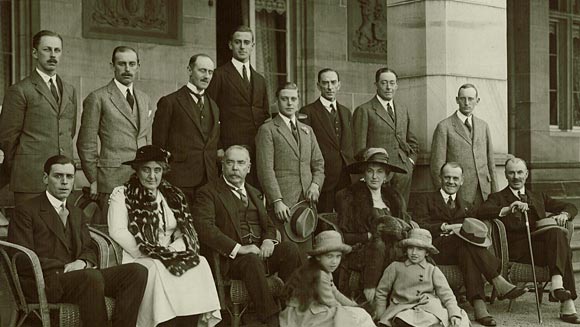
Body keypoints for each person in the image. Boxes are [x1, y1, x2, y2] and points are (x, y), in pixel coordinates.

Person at [8, 155, 148, 327]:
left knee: (136, 272)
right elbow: (21, 257)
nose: (64, 182)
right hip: (46, 281)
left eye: (69, 177)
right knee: (91, 276)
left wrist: (82, 262)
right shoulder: (26, 211)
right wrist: (66, 268)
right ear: (45, 178)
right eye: (58, 176)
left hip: (80, 278)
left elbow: (89, 247)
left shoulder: (76, 213)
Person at [107, 145, 221, 327]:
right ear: (137, 171)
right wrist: (150, 252)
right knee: (157, 268)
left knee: (200, 263)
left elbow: (184, 230)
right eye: (146, 170)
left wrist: (172, 249)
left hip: (169, 253)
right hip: (139, 256)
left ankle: (188, 321)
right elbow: (117, 230)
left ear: (163, 171)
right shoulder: (122, 194)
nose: (152, 176)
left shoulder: (172, 195)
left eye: (157, 170)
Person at [193, 145, 303, 327]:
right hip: (234, 260)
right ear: (222, 166)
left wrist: (269, 240)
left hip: (261, 254)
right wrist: (239, 248)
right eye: (230, 163)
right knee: (251, 259)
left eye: (240, 163)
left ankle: (291, 308)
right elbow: (205, 228)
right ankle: (271, 319)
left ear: (248, 168)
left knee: (291, 249)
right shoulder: (209, 192)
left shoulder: (255, 192)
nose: (235, 168)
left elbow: (268, 224)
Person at [415, 162, 527, 327]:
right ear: (440, 179)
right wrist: (444, 227)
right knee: (467, 241)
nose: (451, 182)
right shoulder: (425, 199)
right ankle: (496, 280)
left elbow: (483, 213)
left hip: (462, 252)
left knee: (467, 247)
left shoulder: (468, 205)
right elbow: (419, 224)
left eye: (455, 178)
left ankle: (479, 304)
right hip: (436, 249)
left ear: (461, 181)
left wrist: (508, 209)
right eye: (447, 177)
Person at [478, 157, 580, 324]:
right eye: (511, 173)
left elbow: (571, 206)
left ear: (526, 174)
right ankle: (566, 302)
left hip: (540, 250)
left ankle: (557, 286)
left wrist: (564, 215)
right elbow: (481, 211)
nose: (516, 177)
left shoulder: (538, 196)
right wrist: (507, 209)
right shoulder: (497, 197)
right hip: (518, 252)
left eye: (519, 172)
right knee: (563, 248)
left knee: (558, 234)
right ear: (505, 175)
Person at [77, 46, 155, 224]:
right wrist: (93, 179)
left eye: (132, 64)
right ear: (112, 66)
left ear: (138, 66)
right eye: (122, 64)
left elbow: (147, 139)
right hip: (111, 179)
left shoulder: (144, 99)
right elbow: (86, 143)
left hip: (142, 179)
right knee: (112, 231)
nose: (127, 69)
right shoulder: (98, 97)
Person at [0, 30, 77, 206]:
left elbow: (68, 131)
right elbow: (7, 138)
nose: (52, 55)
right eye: (47, 49)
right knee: (30, 232)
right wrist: (23, 168)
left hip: (62, 180)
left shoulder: (70, 90)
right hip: (30, 180)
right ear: (35, 53)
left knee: (60, 230)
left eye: (57, 50)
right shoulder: (20, 90)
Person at [335, 147, 415, 303]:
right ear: (363, 173)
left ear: (386, 176)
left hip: (394, 249)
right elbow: (344, 236)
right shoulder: (349, 197)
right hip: (362, 250)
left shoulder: (394, 199)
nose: (374, 176)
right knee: (378, 245)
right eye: (370, 171)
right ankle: (371, 293)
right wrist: (370, 236)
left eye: (379, 172)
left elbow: (405, 225)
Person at [256, 82, 325, 252]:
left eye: (293, 99)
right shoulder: (268, 129)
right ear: (277, 101)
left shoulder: (307, 130)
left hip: (307, 204)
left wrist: (316, 185)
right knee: (288, 253)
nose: (289, 103)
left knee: (306, 254)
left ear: (298, 102)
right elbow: (265, 170)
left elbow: (318, 164)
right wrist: (277, 201)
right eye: (284, 99)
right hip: (284, 206)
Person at [207, 25, 270, 189]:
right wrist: (219, 146)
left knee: (255, 195)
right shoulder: (219, 75)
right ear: (230, 45)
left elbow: (265, 115)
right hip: (230, 148)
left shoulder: (260, 80)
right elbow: (209, 115)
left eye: (246, 42)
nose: (242, 46)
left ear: (252, 46)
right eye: (238, 42)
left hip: (257, 150)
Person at [153, 54, 221, 205]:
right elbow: (159, 145)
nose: (207, 76)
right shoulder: (170, 102)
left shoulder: (214, 106)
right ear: (189, 70)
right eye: (202, 71)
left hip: (209, 181)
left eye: (210, 72)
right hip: (179, 180)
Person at [374, 228, 470, 327]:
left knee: (437, 317)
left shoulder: (432, 270)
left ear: (427, 252)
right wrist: (381, 313)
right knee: (401, 319)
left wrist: (453, 313)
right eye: (411, 248)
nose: (414, 253)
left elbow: (447, 295)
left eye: (420, 249)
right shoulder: (395, 267)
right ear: (406, 249)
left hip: (428, 308)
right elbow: (382, 292)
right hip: (402, 307)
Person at [280, 230, 375, 327]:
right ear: (318, 257)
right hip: (305, 314)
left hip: (314, 308)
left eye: (338, 257)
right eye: (329, 256)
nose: (334, 261)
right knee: (356, 317)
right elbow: (329, 301)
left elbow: (335, 292)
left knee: (359, 313)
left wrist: (353, 305)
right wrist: (350, 312)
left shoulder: (325, 271)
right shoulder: (319, 274)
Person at [352, 67, 418, 202]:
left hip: (402, 172)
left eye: (392, 83)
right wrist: (372, 171)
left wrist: (410, 162)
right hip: (378, 174)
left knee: (400, 211)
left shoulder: (402, 110)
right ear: (376, 85)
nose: (389, 87)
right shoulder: (364, 110)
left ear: (397, 85)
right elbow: (358, 149)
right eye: (384, 83)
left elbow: (412, 142)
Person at [430, 84, 497, 206]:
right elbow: (437, 166)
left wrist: (495, 192)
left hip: (484, 191)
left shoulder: (483, 126)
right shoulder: (444, 127)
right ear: (457, 100)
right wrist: (445, 197)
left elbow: (490, 163)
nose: (467, 103)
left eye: (471, 99)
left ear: (477, 101)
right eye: (463, 98)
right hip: (459, 193)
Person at [300, 68, 354, 213]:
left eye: (333, 82)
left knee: (347, 219)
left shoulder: (346, 112)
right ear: (318, 86)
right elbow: (306, 148)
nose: (329, 87)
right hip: (323, 178)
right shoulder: (308, 112)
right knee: (324, 221)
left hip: (345, 177)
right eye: (325, 83)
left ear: (339, 85)